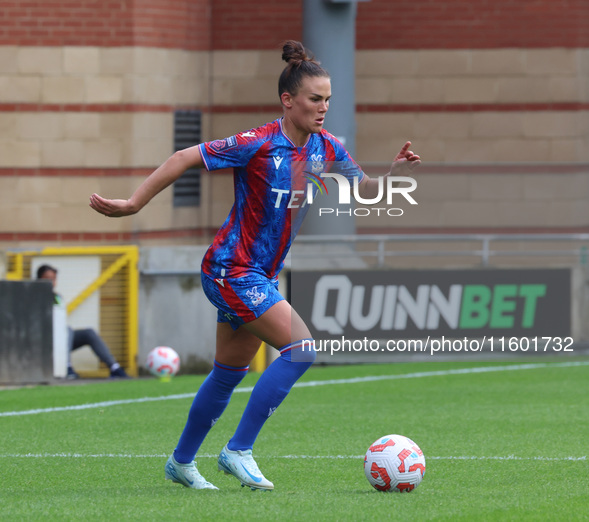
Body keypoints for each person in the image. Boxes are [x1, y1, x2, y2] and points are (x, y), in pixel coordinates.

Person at [89, 40, 420, 490]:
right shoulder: (259, 143)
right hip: (230, 269)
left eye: (328, 100)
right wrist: (133, 204)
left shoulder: (324, 149)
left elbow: (362, 190)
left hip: (256, 275)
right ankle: (237, 450)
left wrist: (393, 175)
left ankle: (182, 462)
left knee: (228, 372)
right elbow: (186, 156)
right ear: (289, 100)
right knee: (302, 350)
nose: (323, 108)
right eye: (314, 99)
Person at [36, 264, 130, 379]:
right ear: (39, 280)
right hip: (43, 341)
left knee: (88, 333)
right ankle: (66, 367)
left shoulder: (57, 297)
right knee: (67, 330)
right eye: (48, 278)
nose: (51, 282)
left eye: (54, 279)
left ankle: (115, 368)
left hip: (59, 340)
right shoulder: (34, 297)